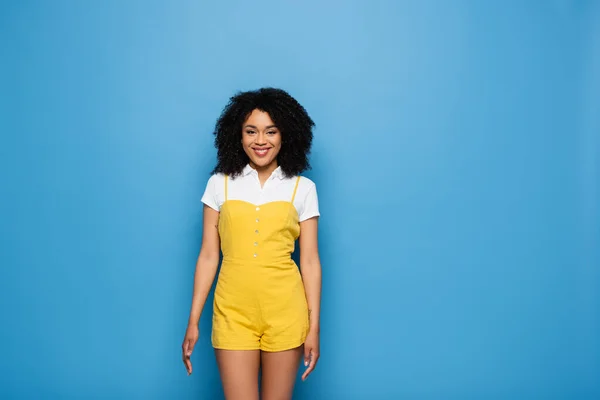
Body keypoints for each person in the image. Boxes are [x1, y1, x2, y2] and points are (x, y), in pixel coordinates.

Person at [181, 87, 322, 400]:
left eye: (271, 131)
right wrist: (193, 321)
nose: (261, 141)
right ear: (237, 135)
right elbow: (207, 255)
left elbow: (310, 261)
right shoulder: (219, 184)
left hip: (286, 312)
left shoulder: (303, 188)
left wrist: (313, 328)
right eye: (251, 131)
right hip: (233, 312)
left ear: (286, 135)